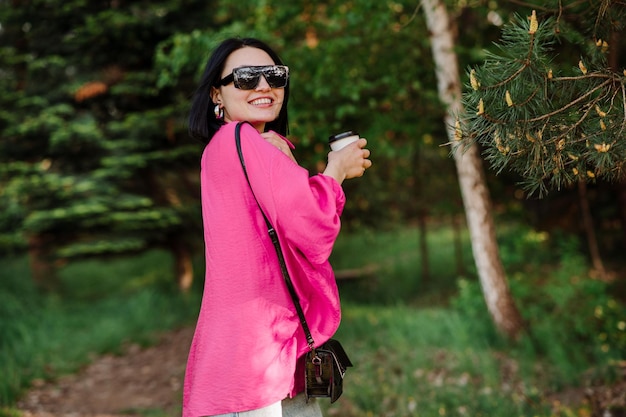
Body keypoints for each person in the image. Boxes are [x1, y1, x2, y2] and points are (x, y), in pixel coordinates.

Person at [183, 37, 372, 417]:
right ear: (217, 95)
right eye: (246, 77)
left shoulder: (222, 150)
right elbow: (313, 229)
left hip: (237, 366)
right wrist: (334, 172)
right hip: (259, 372)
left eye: (274, 75)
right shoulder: (240, 138)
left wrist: (282, 162)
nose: (264, 85)